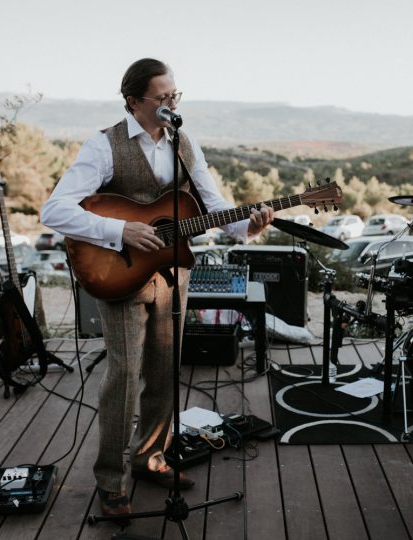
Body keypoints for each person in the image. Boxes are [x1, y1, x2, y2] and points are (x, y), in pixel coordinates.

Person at [40, 58, 274, 518]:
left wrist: (250, 224)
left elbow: (212, 205)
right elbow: (54, 210)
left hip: (172, 274)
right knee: (124, 377)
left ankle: (151, 457)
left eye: (174, 96)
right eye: (161, 97)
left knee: (166, 370)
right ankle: (110, 478)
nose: (170, 104)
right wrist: (118, 232)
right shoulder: (103, 146)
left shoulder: (184, 143)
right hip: (119, 273)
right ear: (133, 101)